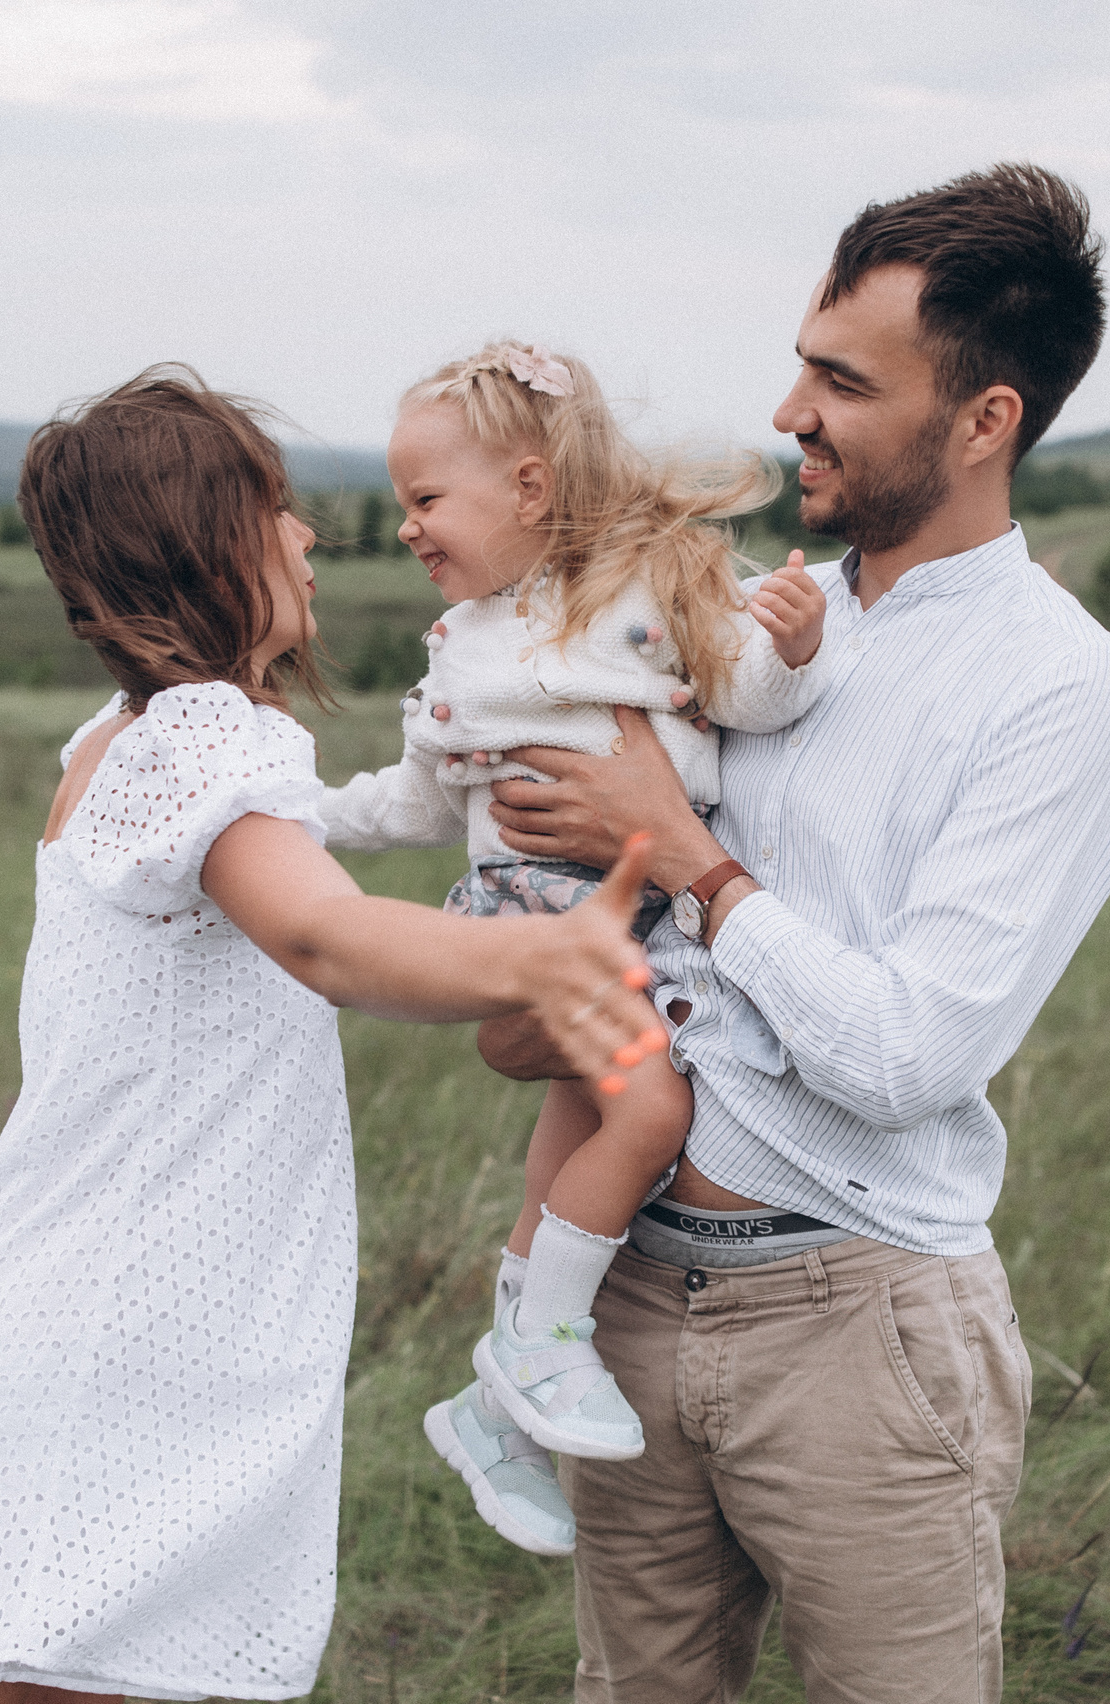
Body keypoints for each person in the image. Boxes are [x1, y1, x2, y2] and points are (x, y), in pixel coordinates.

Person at [0, 366, 666, 1704]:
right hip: (77, 1387)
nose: (312, 536)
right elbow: (325, 936)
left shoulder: (129, 737)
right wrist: (539, 950)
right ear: (206, 539)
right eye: (276, 507)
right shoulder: (197, 741)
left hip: (81, 1373)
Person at [476, 164, 1110, 1702]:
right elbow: (551, 1010)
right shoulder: (738, 628)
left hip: (860, 1325)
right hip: (627, 1293)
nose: (790, 410)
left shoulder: (1058, 686)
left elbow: (907, 1051)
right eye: (801, 363)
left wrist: (692, 862)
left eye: (843, 381)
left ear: (984, 420)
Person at [320, 340, 830, 1552]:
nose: (406, 529)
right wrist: (286, 809)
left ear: (533, 488)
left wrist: (795, 648)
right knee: (649, 1119)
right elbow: (413, 801)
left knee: (596, 1131)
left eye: (426, 500)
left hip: (649, 924)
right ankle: (535, 1347)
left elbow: (751, 697)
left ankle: (497, 1406)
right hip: (545, 924)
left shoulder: (652, 593)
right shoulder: (465, 647)